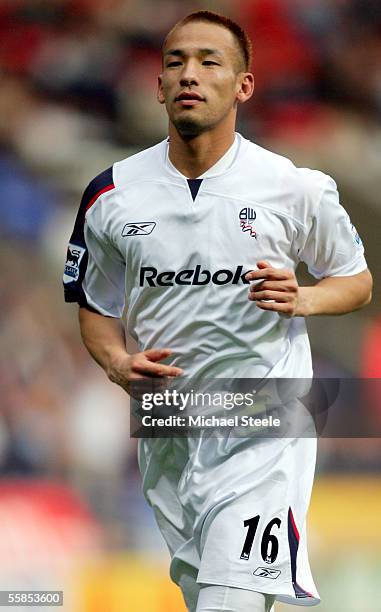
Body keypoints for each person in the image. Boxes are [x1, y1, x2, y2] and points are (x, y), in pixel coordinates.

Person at [63, 10, 372, 612]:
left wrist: (304, 297)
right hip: (170, 424)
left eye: (209, 62)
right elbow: (95, 308)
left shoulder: (293, 187)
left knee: (230, 598)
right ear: (157, 85)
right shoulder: (110, 195)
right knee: (208, 593)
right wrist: (116, 363)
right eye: (176, 62)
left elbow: (356, 281)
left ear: (244, 85)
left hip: (264, 419)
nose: (190, 75)